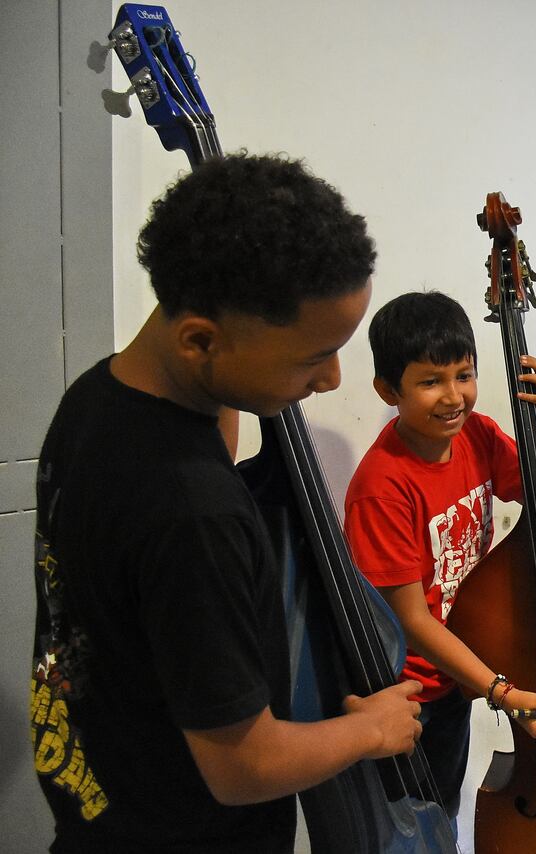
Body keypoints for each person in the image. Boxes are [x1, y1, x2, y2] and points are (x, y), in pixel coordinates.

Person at [30, 154, 424, 852]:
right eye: (314, 357)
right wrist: (373, 729)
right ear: (199, 340)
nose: (333, 380)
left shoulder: (95, 401)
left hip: (97, 814)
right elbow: (243, 765)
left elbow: (213, 420)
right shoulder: (193, 514)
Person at [343, 290, 536, 822]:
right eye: (430, 381)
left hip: (459, 669)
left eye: (463, 375)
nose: (454, 397)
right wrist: (499, 689)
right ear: (388, 390)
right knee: (419, 821)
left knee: (445, 806)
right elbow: (411, 619)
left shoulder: (477, 434)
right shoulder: (383, 486)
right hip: (412, 690)